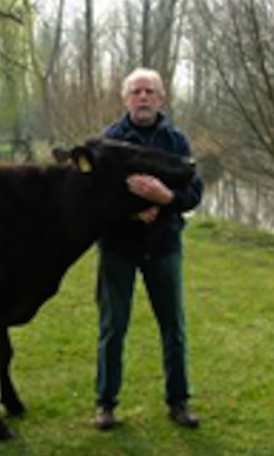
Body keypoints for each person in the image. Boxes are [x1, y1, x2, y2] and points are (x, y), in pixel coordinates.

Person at [93, 67, 203, 430]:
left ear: (161, 98)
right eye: (136, 91)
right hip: (118, 248)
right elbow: (95, 197)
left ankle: (179, 401)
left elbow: (194, 192)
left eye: (149, 91)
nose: (143, 97)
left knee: (174, 326)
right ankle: (105, 404)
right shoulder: (110, 140)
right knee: (113, 327)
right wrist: (134, 209)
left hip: (164, 246)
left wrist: (166, 198)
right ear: (125, 99)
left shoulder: (176, 141)